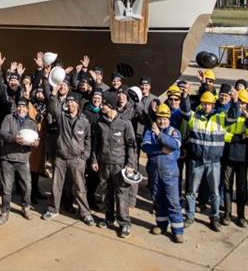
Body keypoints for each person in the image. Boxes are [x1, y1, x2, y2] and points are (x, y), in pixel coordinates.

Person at [42, 87, 94, 226]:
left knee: (80, 188)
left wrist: (85, 157)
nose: (70, 104)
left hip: (77, 160)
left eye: (73, 102)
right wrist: (53, 93)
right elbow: (53, 107)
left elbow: (88, 140)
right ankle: (53, 209)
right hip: (61, 157)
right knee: (56, 185)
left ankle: (86, 213)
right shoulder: (61, 116)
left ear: (78, 104)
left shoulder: (84, 121)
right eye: (68, 102)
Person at [180, 90, 230, 232]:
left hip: (214, 162)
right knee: (191, 191)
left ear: (213, 104)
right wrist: (185, 97)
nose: (207, 106)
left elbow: (233, 117)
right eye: (204, 103)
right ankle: (190, 216)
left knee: (214, 192)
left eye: (209, 104)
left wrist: (235, 101)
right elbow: (185, 111)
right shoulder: (194, 117)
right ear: (201, 104)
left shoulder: (220, 118)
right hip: (197, 160)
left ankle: (214, 217)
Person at [92, 92, 137, 238]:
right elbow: (95, 144)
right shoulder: (100, 123)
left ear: (110, 105)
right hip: (105, 164)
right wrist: (94, 160)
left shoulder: (125, 123)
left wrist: (130, 164)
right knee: (107, 192)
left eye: (103, 104)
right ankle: (109, 218)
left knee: (121, 194)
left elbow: (131, 145)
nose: (101, 106)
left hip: (119, 166)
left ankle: (124, 223)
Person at [142, 103, 185, 243]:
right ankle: (161, 225)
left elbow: (174, 145)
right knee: (158, 200)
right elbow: (146, 147)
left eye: (165, 118)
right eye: (160, 118)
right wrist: (161, 150)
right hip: (155, 173)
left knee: (172, 202)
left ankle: (177, 230)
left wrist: (160, 135)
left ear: (169, 118)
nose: (162, 121)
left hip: (170, 174)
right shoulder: (149, 131)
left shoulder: (174, 132)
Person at [220, 89, 248, 227]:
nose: (241, 105)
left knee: (241, 187)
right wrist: (238, 137)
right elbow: (223, 134)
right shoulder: (229, 115)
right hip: (229, 156)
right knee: (227, 185)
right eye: (240, 102)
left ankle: (241, 215)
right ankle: (227, 213)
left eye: (244, 103)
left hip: (243, 159)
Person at [0, 98, 39, 224]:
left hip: (23, 159)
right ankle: (5, 212)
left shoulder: (31, 123)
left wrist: (36, 143)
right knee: (7, 187)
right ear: (16, 107)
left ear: (27, 108)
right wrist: (14, 138)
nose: (21, 109)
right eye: (19, 106)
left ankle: (25, 207)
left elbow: (36, 139)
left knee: (27, 186)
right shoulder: (8, 118)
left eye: (24, 107)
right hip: (7, 158)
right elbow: (2, 134)